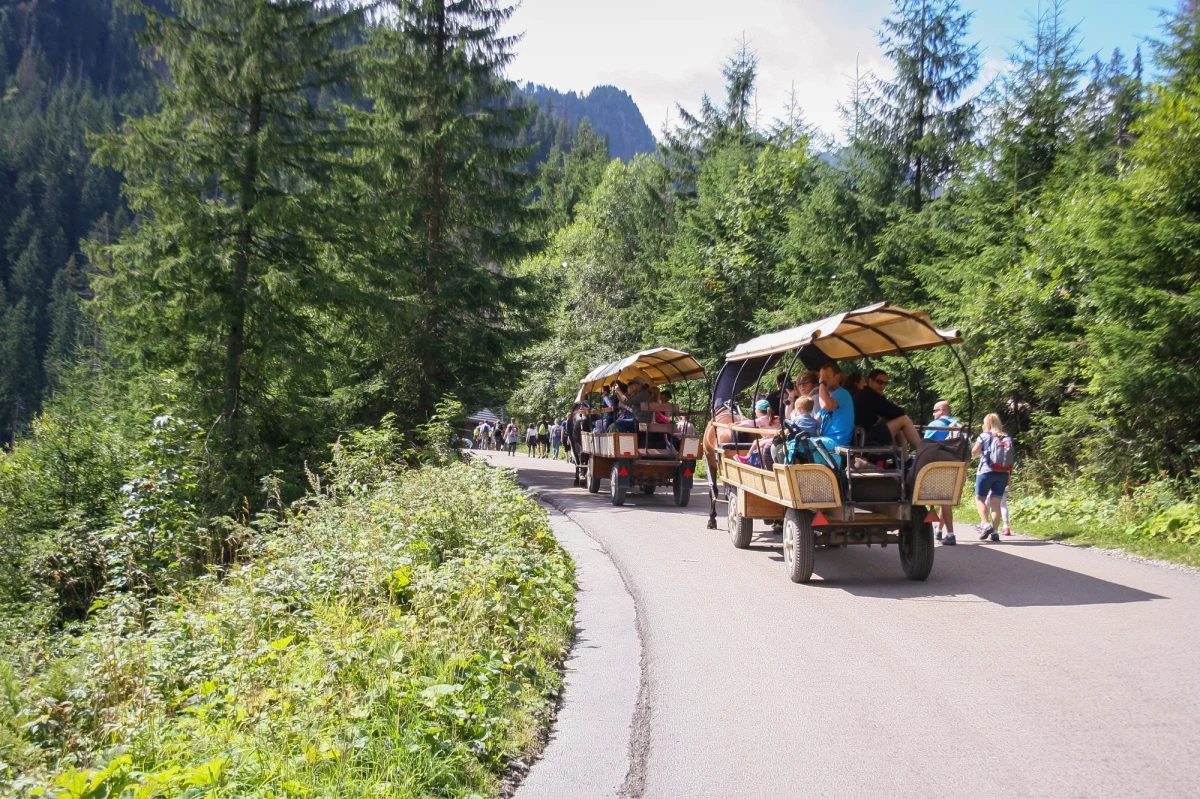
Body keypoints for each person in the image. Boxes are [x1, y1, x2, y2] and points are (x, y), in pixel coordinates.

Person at [923, 400, 965, 544]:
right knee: (945, 498)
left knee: (944, 499)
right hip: (959, 465)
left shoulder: (935, 425)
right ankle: (939, 530)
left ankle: (951, 534)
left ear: (941, 410)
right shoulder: (959, 425)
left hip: (940, 465)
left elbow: (924, 444)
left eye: (935, 411)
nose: (933, 414)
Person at [854, 369, 924, 451]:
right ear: (870, 381)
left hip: (860, 435)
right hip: (867, 437)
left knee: (899, 426)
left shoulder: (863, 393)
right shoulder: (871, 396)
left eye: (885, 383)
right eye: (879, 382)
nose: (882, 386)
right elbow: (898, 412)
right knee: (904, 420)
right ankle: (923, 451)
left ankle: (905, 461)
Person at [972, 413, 1014, 542]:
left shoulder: (984, 436)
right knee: (996, 504)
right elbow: (1010, 459)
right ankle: (995, 532)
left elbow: (974, 452)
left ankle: (985, 524)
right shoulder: (1006, 437)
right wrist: (1009, 476)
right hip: (1002, 473)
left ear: (986, 423)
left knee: (980, 499)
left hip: (985, 472)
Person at [810, 362, 855, 465]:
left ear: (837, 377)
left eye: (826, 377)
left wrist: (822, 384)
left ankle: (834, 466)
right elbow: (816, 421)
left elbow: (826, 405)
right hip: (826, 440)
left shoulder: (842, 393)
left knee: (805, 445)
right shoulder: (829, 397)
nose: (823, 380)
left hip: (838, 441)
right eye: (821, 377)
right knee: (795, 444)